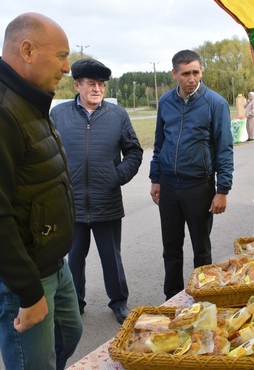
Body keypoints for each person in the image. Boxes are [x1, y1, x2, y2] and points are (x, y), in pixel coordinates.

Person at [0, 12, 82, 370]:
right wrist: (28, 291)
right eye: (61, 56)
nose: (67, 68)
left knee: (69, 334)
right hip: (16, 276)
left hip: (49, 260)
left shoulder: (27, 99)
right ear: (27, 50)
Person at [50, 58, 143, 324]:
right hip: (72, 203)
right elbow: (47, 153)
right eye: (91, 83)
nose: (97, 89)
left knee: (111, 258)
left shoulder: (117, 115)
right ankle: (74, 304)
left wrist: (117, 176)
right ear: (77, 85)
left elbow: (134, 151)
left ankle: (119, 302)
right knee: (74, 259)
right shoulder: (58, 115)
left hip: (107, 200)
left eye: (101, 84)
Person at [149, 49, 234, 300]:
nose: (192, 78)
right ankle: (172, 298)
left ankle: (203, 297)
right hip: (169, 185)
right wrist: (155, 178)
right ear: (174, 74)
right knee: (171, 248)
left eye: (196, 72)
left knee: (201, 248)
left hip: (199, 186)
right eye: (185, 73)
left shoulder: (215, 103)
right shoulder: (166, 102)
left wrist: (223, 190)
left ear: (201, 71)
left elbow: (224, 148)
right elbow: (159, 143)